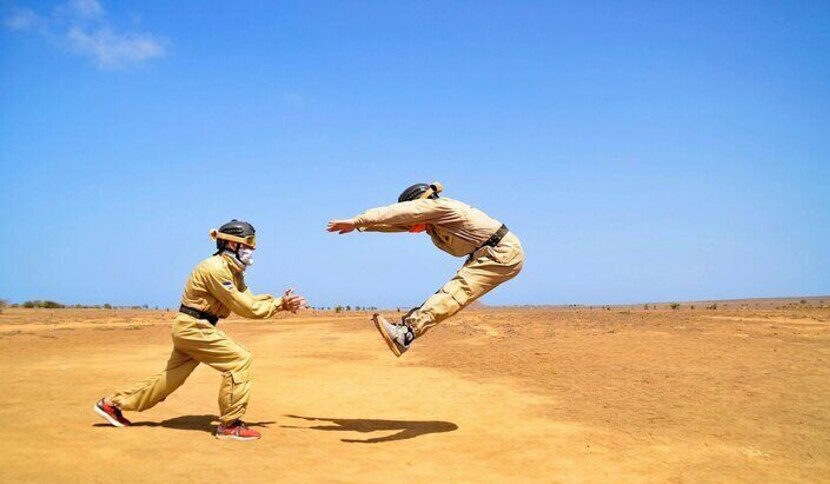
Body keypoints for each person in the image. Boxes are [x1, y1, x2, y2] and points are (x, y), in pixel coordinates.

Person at [93, 220, 307, 441]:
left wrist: (279, 301)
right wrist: (279, 305)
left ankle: (112, 404)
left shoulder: (233, 271)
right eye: (249, 243)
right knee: (240, 360)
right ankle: (229, 425)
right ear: (231, 244)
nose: (253, 248)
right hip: (194, 327)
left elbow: (249, 298)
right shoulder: (215, 269)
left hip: (192, 327)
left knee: (168, 380)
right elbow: (245, 307)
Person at [327, 182, 524, 356]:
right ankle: (407, 330)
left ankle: (406, 333)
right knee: (451, 292)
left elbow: (397, 214)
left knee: (456, 291)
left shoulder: (444, 208)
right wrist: (362, 227)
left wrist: (358, 220)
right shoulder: (434, 223)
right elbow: (396, 223)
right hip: (487, 253)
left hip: (501, 252)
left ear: (421, 207)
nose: (410, 227)